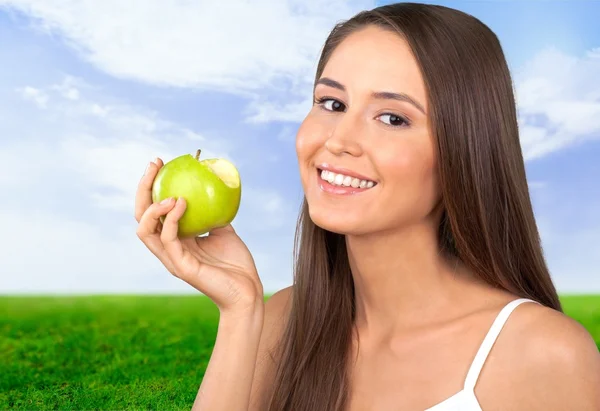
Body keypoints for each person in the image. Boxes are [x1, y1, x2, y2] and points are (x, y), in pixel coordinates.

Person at [134, 2, 600, 410]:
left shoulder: (542, 355)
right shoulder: (280, 323)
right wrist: (240, 313)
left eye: (392, 117)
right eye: (332, 103)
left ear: (465, 150)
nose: (338, 140)